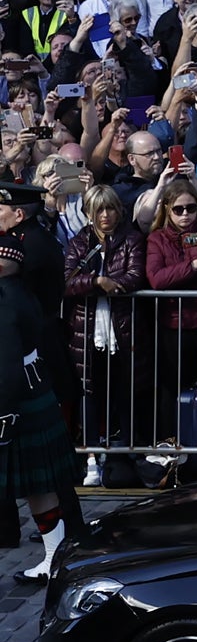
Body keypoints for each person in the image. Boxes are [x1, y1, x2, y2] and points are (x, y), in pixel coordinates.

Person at [0, 204, 83, 579]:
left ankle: (55, 556)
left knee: (38, 485)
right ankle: (55, 555)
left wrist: (5, 412)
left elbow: (7, 362)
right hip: (35, 393)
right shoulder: (21, 292)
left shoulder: (5, 300)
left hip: (16, 401)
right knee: (40, 486)